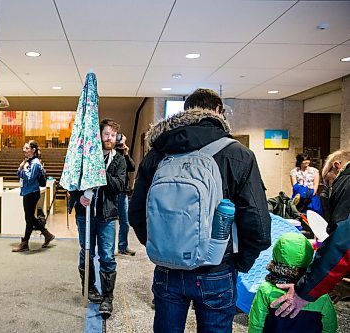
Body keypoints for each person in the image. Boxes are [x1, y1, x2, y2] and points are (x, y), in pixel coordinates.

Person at [129, 88, 271, 332]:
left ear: (186, 113)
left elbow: (136, 214)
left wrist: (164, 247)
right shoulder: (238, 154)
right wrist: (239, 262)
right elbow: (258, 223)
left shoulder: (157, 154)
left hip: (167, 269)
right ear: (218, 112)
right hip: (217, 267)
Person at [271, 150, 350, 318]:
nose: (329, 189)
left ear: (337, 166)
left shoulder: (347, 182)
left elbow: (342, 245)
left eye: (328, 183)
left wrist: (305, 291)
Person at [69, 118, 126, 318]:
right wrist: (79, 195)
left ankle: (107, 298)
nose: (109, 138)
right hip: (86, 214)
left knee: (108, 257)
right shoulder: (84, 157)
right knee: (86, 253)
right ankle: (89, 288)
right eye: (106, 134)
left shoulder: (118, 160)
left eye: (112, 135)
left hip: (107, 215)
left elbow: (120, 185)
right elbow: (72, 181)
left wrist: (100, 173)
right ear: (99, 135)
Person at [248, 232, 337, 332]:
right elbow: (330, 327)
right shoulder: (319, 294)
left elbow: (256, 324)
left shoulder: (266, 289)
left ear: (276, 253)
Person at [12, 140, 55, 252]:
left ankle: (25, 242)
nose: (24, 150)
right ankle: (47, 234)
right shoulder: (29, 161)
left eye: (26, 148)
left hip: (32, 193)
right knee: (30, 217)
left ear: (33, 150)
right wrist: (21, 168)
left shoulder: (35, 163)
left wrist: (22, 169)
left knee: (29, 219)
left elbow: (30, 178)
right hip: (27, 192)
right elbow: (20, 174)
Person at [115, 134, 136, 256]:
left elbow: (132, 168)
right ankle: (109, 248)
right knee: (109, 222)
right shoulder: (111, 154)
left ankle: (123, 246)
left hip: (122, 193)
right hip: (112, 193)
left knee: (125, 222)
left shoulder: (123, 154)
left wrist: (126, 153)